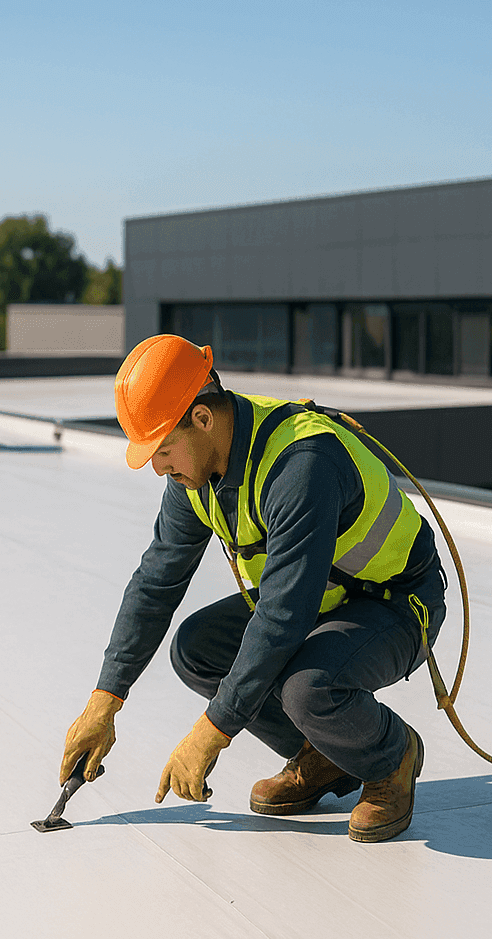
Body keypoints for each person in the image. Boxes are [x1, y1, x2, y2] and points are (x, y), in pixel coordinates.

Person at [58, 334, 447, 843]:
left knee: (309, 689)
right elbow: (155, 583)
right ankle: (327, 754)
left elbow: (283, 616)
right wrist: (103, 702)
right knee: (197, 650)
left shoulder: (301, 464)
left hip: (396, 601)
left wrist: (209, 733)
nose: (158, 467)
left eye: (163, 448)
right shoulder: (193, 477)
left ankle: (390, 757)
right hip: (321, 599)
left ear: (202, 418)